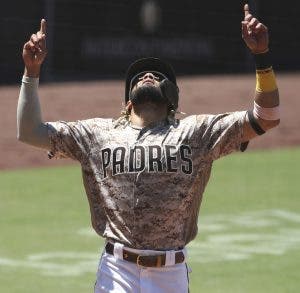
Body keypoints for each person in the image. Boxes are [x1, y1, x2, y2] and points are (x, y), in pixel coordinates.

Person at [17, 4, 280, 293]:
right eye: (140, 76)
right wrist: (31, 73)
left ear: (172, 100)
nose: (147, 76)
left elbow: (266, 117)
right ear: (127, 102)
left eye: (157, 75)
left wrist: (261, 57)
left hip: (171, 274)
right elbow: (30, 132)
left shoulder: (196, 132)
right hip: (117, 271)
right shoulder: (97, 134)